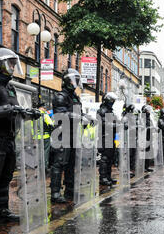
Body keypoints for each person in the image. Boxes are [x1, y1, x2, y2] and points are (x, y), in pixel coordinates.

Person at [0, 48, 41, 232]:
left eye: (14, 63)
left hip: (10, 140)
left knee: (5, 178)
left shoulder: (9, 87)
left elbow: (15, 110)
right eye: (10, 63)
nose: (13, 67)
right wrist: (10, 110)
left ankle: (2, 211)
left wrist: (29, 114)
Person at [50, 68, 88, 204]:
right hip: (61, 134)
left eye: (77, 81)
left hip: (73, 134)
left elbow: (79, 113)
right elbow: (61, 115)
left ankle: (70, 190)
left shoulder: (74, 97)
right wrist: (78, 116)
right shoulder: (61, 96)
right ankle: (55, 192)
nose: (75, 83)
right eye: (74, 80)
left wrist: (86, 117)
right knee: (59, 163)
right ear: (67, 81)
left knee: (71, 163)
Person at [97, 92, 119, 186]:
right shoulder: (102, 110)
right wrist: (115, 125)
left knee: (110, 158)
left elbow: (115, 122)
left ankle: (108, 176)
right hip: (104, 137)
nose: (112, 102)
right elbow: (104, 123)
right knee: (105, 158)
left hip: (111, 136)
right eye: (111, 100)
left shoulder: (111, 111)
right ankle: (103, 178)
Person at [34, 103, 54, 172]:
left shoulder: (33, 115)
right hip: (45, 137)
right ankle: (44, 168)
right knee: (45, 152)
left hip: (36, 137)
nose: (45, 109)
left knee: (38, 152)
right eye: (44, 108)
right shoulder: (45, 115)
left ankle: (38, 167)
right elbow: (51, 124)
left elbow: (31, 128)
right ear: (41, 108)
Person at [142, 105, 154, 172]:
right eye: (147, 110)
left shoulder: (149, 119)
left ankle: (147, 166)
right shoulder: (142, 118)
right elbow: (142, 128)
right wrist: (150, 128)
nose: (149, 112)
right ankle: (143, 167)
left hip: (149, 137)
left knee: (148, 153)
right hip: (144, 138)